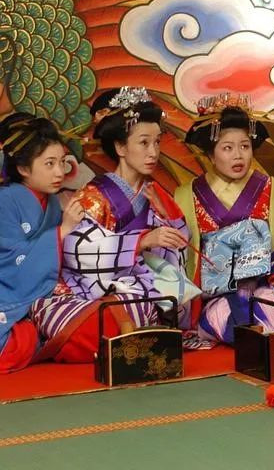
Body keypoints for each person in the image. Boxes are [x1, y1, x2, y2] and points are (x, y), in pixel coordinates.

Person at [30, 87, 191, 361]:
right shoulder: (93, 196)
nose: (153, 152)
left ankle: (125, 332)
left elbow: (178, 248)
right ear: (120, 147)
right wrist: (142, 241)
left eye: (157, 142)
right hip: (85, 288)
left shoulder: (155, 195)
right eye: (143, 143)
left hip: (138, 286)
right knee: (82, 321)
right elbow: (77, 251)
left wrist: (169, 230)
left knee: (145, 301)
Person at [174, 93, 274, 346]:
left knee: (269, 313)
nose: (238, 155)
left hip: (267, 288)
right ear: (210, 154)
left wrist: (272, 273)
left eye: (245, 146)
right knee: (226, 318)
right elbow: (177, 257)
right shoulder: (185, 197)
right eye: (227, 148)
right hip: (213, 295)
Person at [0, 115, 85, 372]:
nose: (59, 172)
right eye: (49, 164)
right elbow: (10, 262)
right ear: (23, 168)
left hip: (44, 295)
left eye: (61, 162)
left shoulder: (53, 204)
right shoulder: (6, 201)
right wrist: (63, 231)